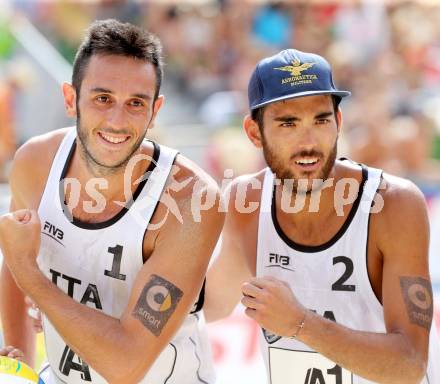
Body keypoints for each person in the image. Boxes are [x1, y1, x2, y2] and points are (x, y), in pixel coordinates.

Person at [0, 19, 223, 384]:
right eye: (103, 99)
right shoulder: (36, 162)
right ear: (71, 98)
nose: (117, 121)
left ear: (155, 111)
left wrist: (32, 276)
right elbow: (14, 252)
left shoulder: (191, 200)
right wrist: (20, 363)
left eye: (136, 103)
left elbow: (125, 366)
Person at [204, 48, 440, 383]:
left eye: (321, 119)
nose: (309, 141)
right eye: (288, 123)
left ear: (339, 122)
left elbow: (411, 364)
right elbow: (212, 304)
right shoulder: (247, 201)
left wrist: (300, 323)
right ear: (254, 133)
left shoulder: (393, 204)